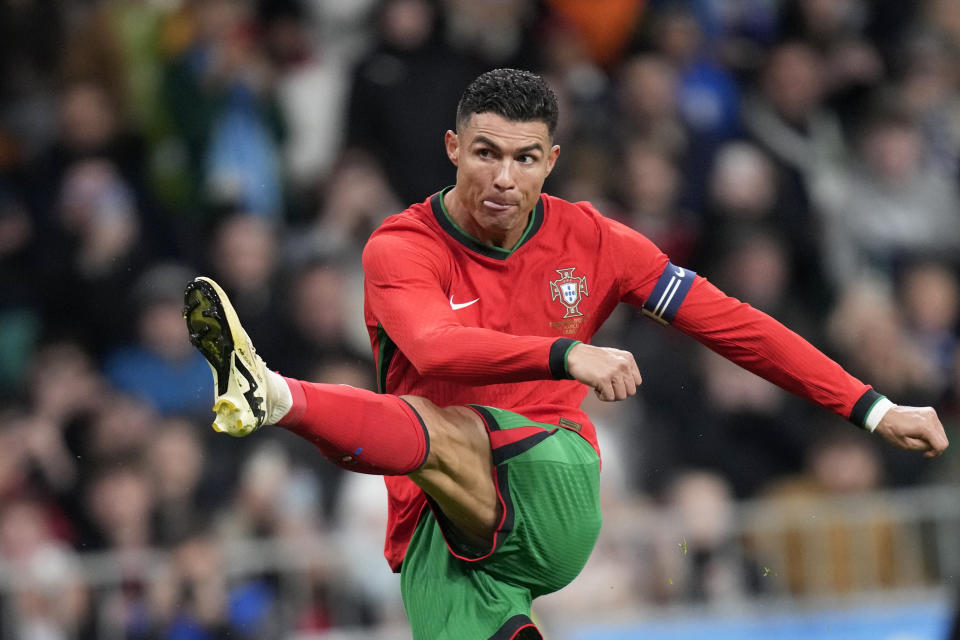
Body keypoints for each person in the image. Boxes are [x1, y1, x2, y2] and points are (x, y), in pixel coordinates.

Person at [182, 68, 948, 640]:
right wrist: (563, 354)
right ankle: (274, 398)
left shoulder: (598, 242)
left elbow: (738, 326)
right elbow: (432, 346)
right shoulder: (400, 246)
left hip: (551, 480)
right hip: (436, 524)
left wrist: (871, 406)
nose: (502, 179)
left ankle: (274, 396)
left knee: (426, 420)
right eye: (485, 153)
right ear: (453, 148)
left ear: (551, 160)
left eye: (524, 159)